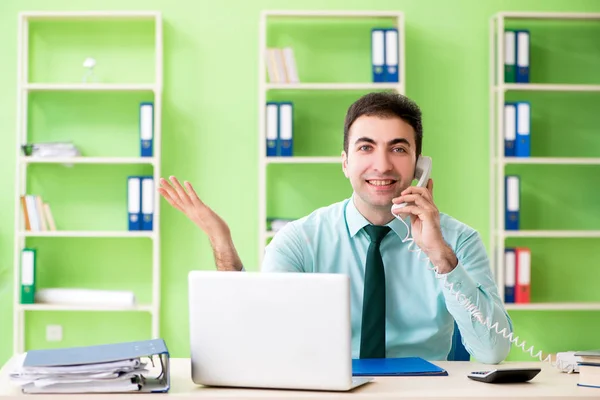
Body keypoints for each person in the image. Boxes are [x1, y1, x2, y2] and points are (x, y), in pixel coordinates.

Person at [158, 92, 512, 364]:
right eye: (366, 147)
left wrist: (441, 257)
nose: (382, 164)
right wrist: (222, 245)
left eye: (398, 148)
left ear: (420, 164)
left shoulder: (457, 240)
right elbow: (256, 339)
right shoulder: (299, 240)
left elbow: (493, 351)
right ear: (345, 162)